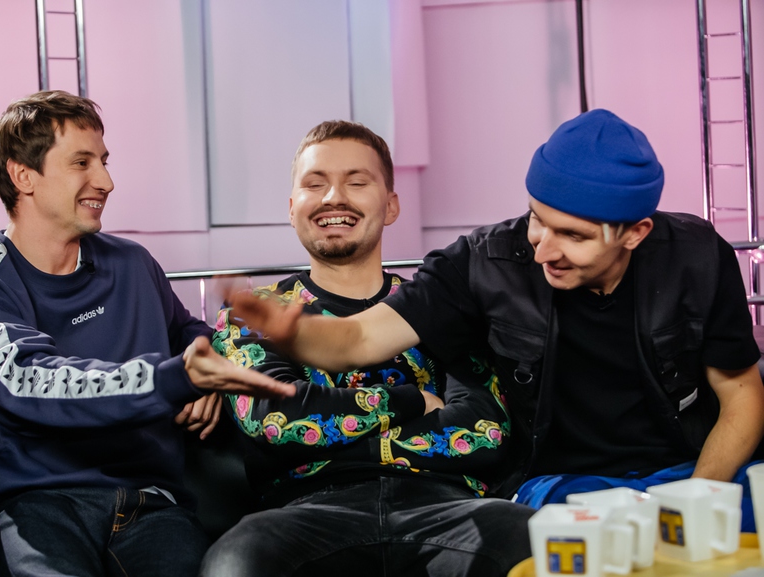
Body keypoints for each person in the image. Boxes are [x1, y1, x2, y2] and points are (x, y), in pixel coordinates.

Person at [231, 109, 764, 530]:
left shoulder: (696, 256)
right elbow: (357, 339)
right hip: (561, 486)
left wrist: (696, 499)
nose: (543, 250)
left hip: (692, 469)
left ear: (635, 233)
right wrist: (293, 331)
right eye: (537, 220)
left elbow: (741, 394)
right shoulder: (483, 263)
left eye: (572, 236)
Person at [0, 90, 294, 577]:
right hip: (35, 507)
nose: (106, 181)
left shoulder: (133, 264)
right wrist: (177, 379)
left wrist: (209, 362)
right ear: (23, 176)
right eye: (82, 162)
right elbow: (34, 381)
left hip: (152, 504)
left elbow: (190, 334)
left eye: (103, 161)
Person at [200, 120, 534, 577]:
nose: (333, 197)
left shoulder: (441, 304)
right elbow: (278, 422)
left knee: (534, 538)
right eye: (314, 184)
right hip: (304, 512)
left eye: (356, 182)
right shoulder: (255, 312)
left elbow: (484, 430)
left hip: (448, 508)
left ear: (391, 205)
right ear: (293, 208)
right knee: (233, 562)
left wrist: (333, 429)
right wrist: (415, 401)